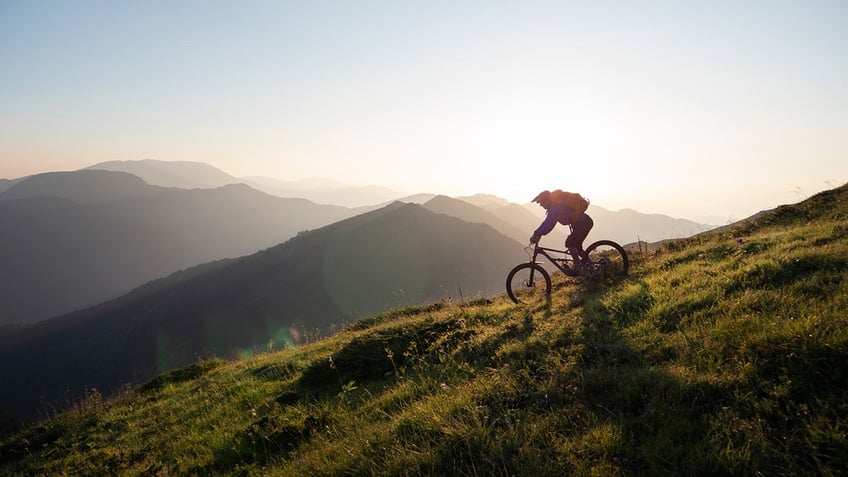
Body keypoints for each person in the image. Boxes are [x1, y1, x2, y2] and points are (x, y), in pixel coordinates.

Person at [529, 189, 594, 265]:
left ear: (546, 200)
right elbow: (550, 225)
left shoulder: (555, 208)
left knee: (570, 243)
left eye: (540, 202)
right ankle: (592, 265)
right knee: (577, 247)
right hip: (583, 223)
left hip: (583, 223)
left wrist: (536, 234)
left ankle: (577, 266)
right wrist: (539, 234)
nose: (540, 205)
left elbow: (548, 223)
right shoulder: (554, 208)